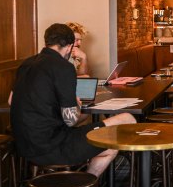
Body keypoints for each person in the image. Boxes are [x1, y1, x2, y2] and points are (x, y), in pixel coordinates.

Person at [10, 23, 136, 177]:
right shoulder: (63, 67)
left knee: (104, 141)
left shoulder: (26, 63)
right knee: (126, 119)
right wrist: (77, 104)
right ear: (69, 47)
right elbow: (70, 120)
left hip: (23, 145)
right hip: (52, 147)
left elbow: (11, 101)